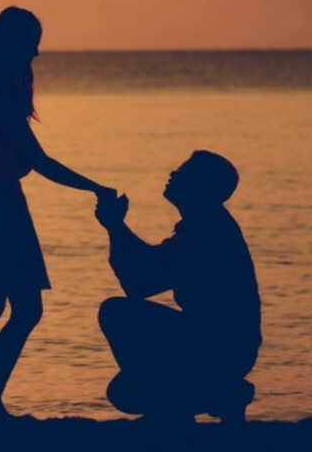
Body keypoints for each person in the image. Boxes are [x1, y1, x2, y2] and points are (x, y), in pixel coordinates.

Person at [0, 6, 114, 419]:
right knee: (15, 307)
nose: (37, 52)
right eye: (32, 42)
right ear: (14, 44)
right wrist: (93, 187)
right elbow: (38, 160)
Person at [95, 150, 261, 424]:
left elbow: (140, 283)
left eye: (184, 173)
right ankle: (212, 395)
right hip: (221, 344)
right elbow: (145, 273)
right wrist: (116, 226)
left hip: (221, 347)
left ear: (202, 187)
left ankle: (188, 404)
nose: (173, 174)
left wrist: (115, 227)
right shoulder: (203, 225)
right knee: (125, 390)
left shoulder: (208, 231)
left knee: (116, 315)